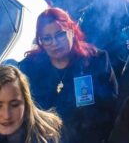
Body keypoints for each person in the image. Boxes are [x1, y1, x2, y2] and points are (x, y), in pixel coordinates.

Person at [20, 8, 118, 143]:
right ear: (40, 41)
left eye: (60, 34)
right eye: (47, 38)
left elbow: (110, 108)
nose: (54, 43)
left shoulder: (95, 61)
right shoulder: (29, 68)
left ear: (72, 32)